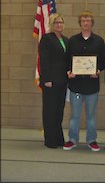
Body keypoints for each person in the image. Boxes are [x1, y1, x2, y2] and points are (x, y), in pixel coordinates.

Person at [63, 10, 105, 152]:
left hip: (92, 85)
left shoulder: (99, 41)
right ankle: (72, 139)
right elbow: (68, 59)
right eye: (83, 21)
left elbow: (103, 61)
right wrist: (69, 71)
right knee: (74, 115)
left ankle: (92, 140)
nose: (85, 23)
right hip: (76, 85)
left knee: (91, 116)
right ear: (80, 23)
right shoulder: (72, 40)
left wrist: (98, 70)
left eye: (88, 21)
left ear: (92, 23)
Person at [39, 13, 69, 148]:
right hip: (50, 81)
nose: (59, 25)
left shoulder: (66, 39)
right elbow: (44, 61)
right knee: (50, 110)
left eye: (61, 22)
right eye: (56, 22)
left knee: (59, 110)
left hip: (62, 81)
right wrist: (46, 79)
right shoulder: (46, 39)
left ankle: (58, 138)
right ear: (52, 24)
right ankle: (50, 140)